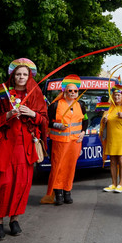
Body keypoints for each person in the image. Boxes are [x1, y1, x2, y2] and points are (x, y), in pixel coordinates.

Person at [0, 58, 48, 240]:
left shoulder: (36, 93)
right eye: (18, 74)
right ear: (13, 75)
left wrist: (33, 114)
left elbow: (44, 120)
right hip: (6, 147)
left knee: (21, 185)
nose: (21, 77)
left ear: (30, 75)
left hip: (25, 148)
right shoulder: (2, 95)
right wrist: (7, 115)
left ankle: (14, 219)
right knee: (3, 183)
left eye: (25, 74)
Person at [41, 75, 88, 205]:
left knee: (70, 167)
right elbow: (46, 122)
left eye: (75, 91)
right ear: (64, 92)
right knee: (58, 167)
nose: (73, 93)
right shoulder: (55, 105)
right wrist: (57, 125)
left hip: (75, 142)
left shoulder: (81, 105)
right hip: (59, 142)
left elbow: (85, 120)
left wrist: (83, 132)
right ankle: (58, 193)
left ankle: (67, 191)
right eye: (70, 91)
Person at [100, 85, 122, 193]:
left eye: (118, 95)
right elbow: (103, 125)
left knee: (121, 160)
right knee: (112, 161)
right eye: (114, 95)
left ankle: (121, 184)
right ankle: (113, 183)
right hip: (112, 138)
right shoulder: (109, 109)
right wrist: (104, 121)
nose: (116, 97)